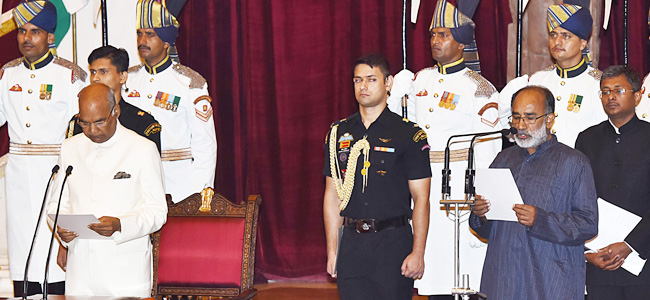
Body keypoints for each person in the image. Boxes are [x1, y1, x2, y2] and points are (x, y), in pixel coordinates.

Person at [387, 0, 506, 297]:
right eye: (433, 35)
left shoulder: (480, 88)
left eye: (444, 35)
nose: (436, 41)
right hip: (423, 183)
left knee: (462, 270)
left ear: (463, 43)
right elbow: (406, 131)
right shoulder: (420, 80)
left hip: (459, 188)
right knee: (432, 269)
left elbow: (489, 151)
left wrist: (481, 200)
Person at [470, 85, 598, 300]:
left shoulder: (574, 163)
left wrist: (540, 219)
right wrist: (481, 214)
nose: (521, 125)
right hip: (504, 277)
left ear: (549, 119)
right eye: (516, 117)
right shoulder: (503, 160)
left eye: (530, 118)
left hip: (551, 278)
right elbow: (486, 231)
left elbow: (587, 224)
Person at [323, 54, 431, 300]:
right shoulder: (339, 133)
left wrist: (418, 252)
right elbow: (332, 196)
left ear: (388, 83)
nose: (363, 86)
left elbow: (421, 199)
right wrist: (333, 250)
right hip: (352, 243)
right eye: (358, 80)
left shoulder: (409, 135)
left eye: (371, 79)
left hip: (392, 243)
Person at [48, 83, 167, 297]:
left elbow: (157, 212)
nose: (92, 131)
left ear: (116, 112)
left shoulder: (143, 149)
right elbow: (56, 205)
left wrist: (121, 224)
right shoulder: (69, 148)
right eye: (84, 123)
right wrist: (60, 228)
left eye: (99, 122)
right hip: (81, 272)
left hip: (125, 271)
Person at [0, 0, 86, 295]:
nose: (26, 38)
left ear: (50, 37)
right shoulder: (7, 74)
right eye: (22, 31)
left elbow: (84, 127)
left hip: (57, 171)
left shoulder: (69, 75)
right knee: (22, 238)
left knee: (55, 237)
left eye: (35, 31)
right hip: (19, 172)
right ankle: (27, 292)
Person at [126, 0, 216, 203]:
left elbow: (205, 144)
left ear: (167, 41)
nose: (142, 40)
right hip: (135, 186)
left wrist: (199, 193)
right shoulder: (127, 80)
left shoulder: (189, 82)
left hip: (178, 187)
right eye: (140, 33)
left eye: (150, 34)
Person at [575, 66, 650, 300]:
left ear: (638, 95)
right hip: (600, 260)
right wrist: (588, 252)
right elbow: (578, 199)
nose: (610, 97)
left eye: (618, 90)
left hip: (643, 260)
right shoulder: (587, 139)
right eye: (605, 91)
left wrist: (630, 245)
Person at [526, 0, 606, 147]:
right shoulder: (538, 81)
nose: (557, 41)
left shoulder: (600, 84)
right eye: (553, 35)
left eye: (566, 36)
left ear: (583, 43)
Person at [66, 46, 161, 153]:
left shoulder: (142, 123)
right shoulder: (80, 123)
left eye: (103, 72)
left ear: (122, 77)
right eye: (93, 72)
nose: (95, 78)